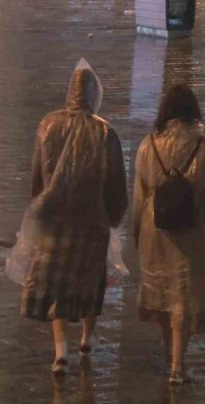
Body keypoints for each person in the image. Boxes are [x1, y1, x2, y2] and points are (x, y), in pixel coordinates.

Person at [20, 58, 128, 375]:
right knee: (89, 279)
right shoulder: (105, 132)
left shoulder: (48, 125)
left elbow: (37, 173)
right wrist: (114, 216)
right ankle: (87, 338)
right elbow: (116, 183)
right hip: (92, 220)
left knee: (57, 281)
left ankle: (60, 352)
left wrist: (38, 205)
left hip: (54, 218)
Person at [133, 84, 205, 385]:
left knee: (161, 291)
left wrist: (136, 228)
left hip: (155, 227)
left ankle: (168, 348)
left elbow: (140, 192)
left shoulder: (149, 144)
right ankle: (178, 363)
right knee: (184, 297)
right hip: (193, 228)